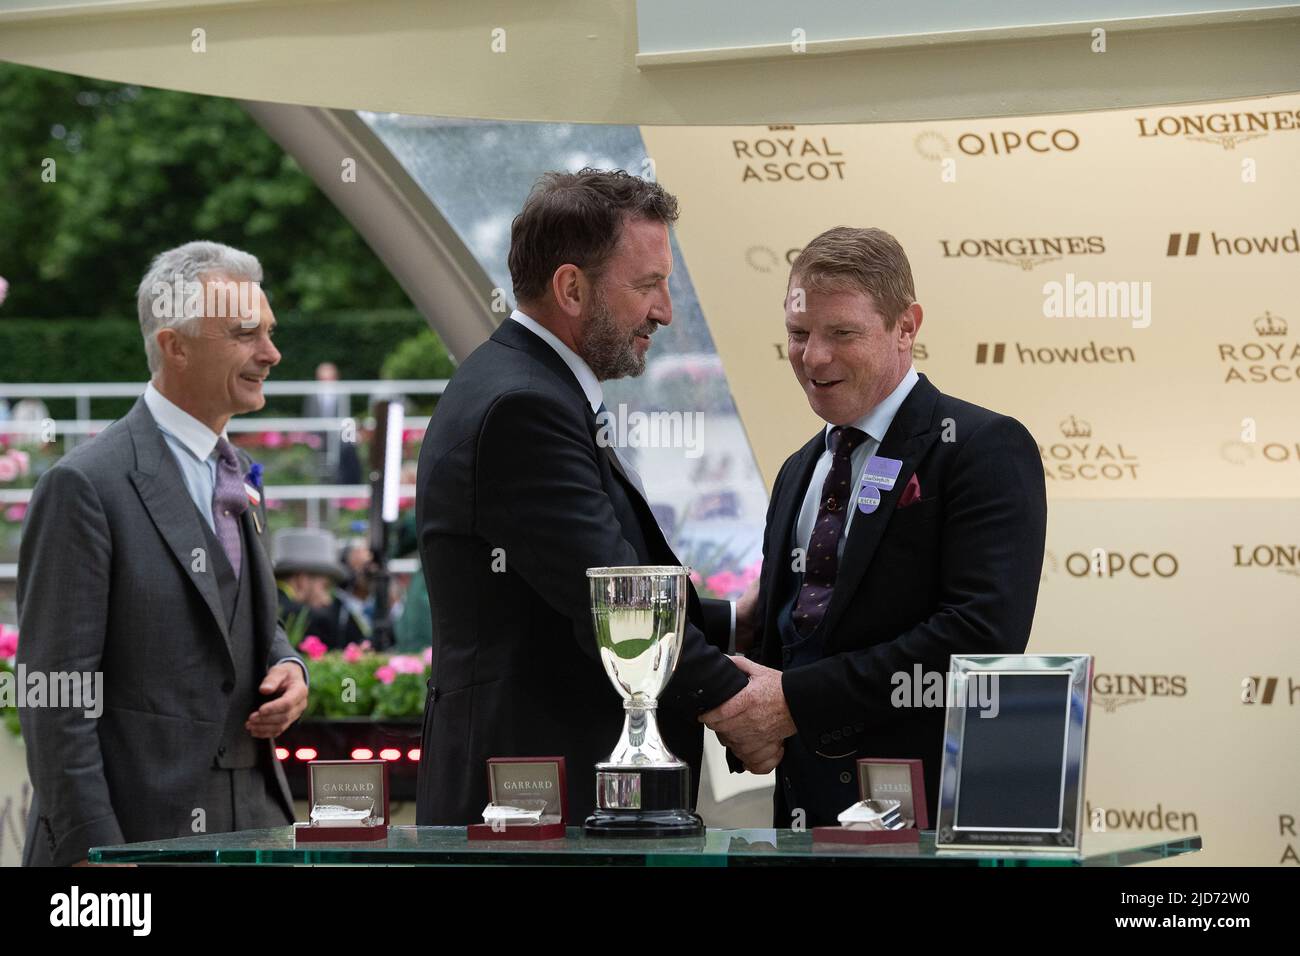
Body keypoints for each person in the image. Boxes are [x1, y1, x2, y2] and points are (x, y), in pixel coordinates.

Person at [414, 169, 782, 825]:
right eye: (647, 285)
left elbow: (573, 577)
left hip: (542, 801)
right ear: (571, 287)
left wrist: (732, 622)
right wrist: (733, 702)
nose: (665, 311)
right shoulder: (523, 405)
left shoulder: (528, 388)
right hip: (537, 808)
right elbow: (608, 597)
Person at [702, 227, 1048, 827]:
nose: (813, 357)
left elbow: (980, 637)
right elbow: (789, 637)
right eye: (798, 334)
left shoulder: (983, 447)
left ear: (906, 327)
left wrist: (793, 702)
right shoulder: (797, 470)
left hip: (931, 818)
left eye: (842, 334)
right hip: (804, 814)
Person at [16, 240, 308, 866]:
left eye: (270, 332)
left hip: (255, 833)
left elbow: (244, 622)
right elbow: (54, 697)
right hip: (132, 848)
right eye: (245, 334)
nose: (271, 353)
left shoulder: (241, 473)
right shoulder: (83, 486)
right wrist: (104, 865)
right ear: (175, 346)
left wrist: (288, 667)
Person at [272, 527, 367, 649]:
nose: (326, 600)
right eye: (325, 587)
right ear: (302, 580)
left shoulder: (260, 604)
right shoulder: (306, 617)